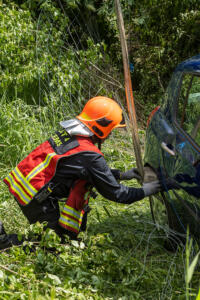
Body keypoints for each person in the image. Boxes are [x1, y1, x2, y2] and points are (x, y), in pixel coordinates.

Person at [0, 96, 161, 249]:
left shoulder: (71, 134)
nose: (111, 134)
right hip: (34, 196)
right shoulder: (89, 155)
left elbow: (82, 169)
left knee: (62, 237)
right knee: (53, 245)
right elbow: (117, 194)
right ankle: (4, 242)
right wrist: (146, 191)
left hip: (24, 183)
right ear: (102, 126)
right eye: (111, 129)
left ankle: (60, 230)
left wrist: (121, 175)